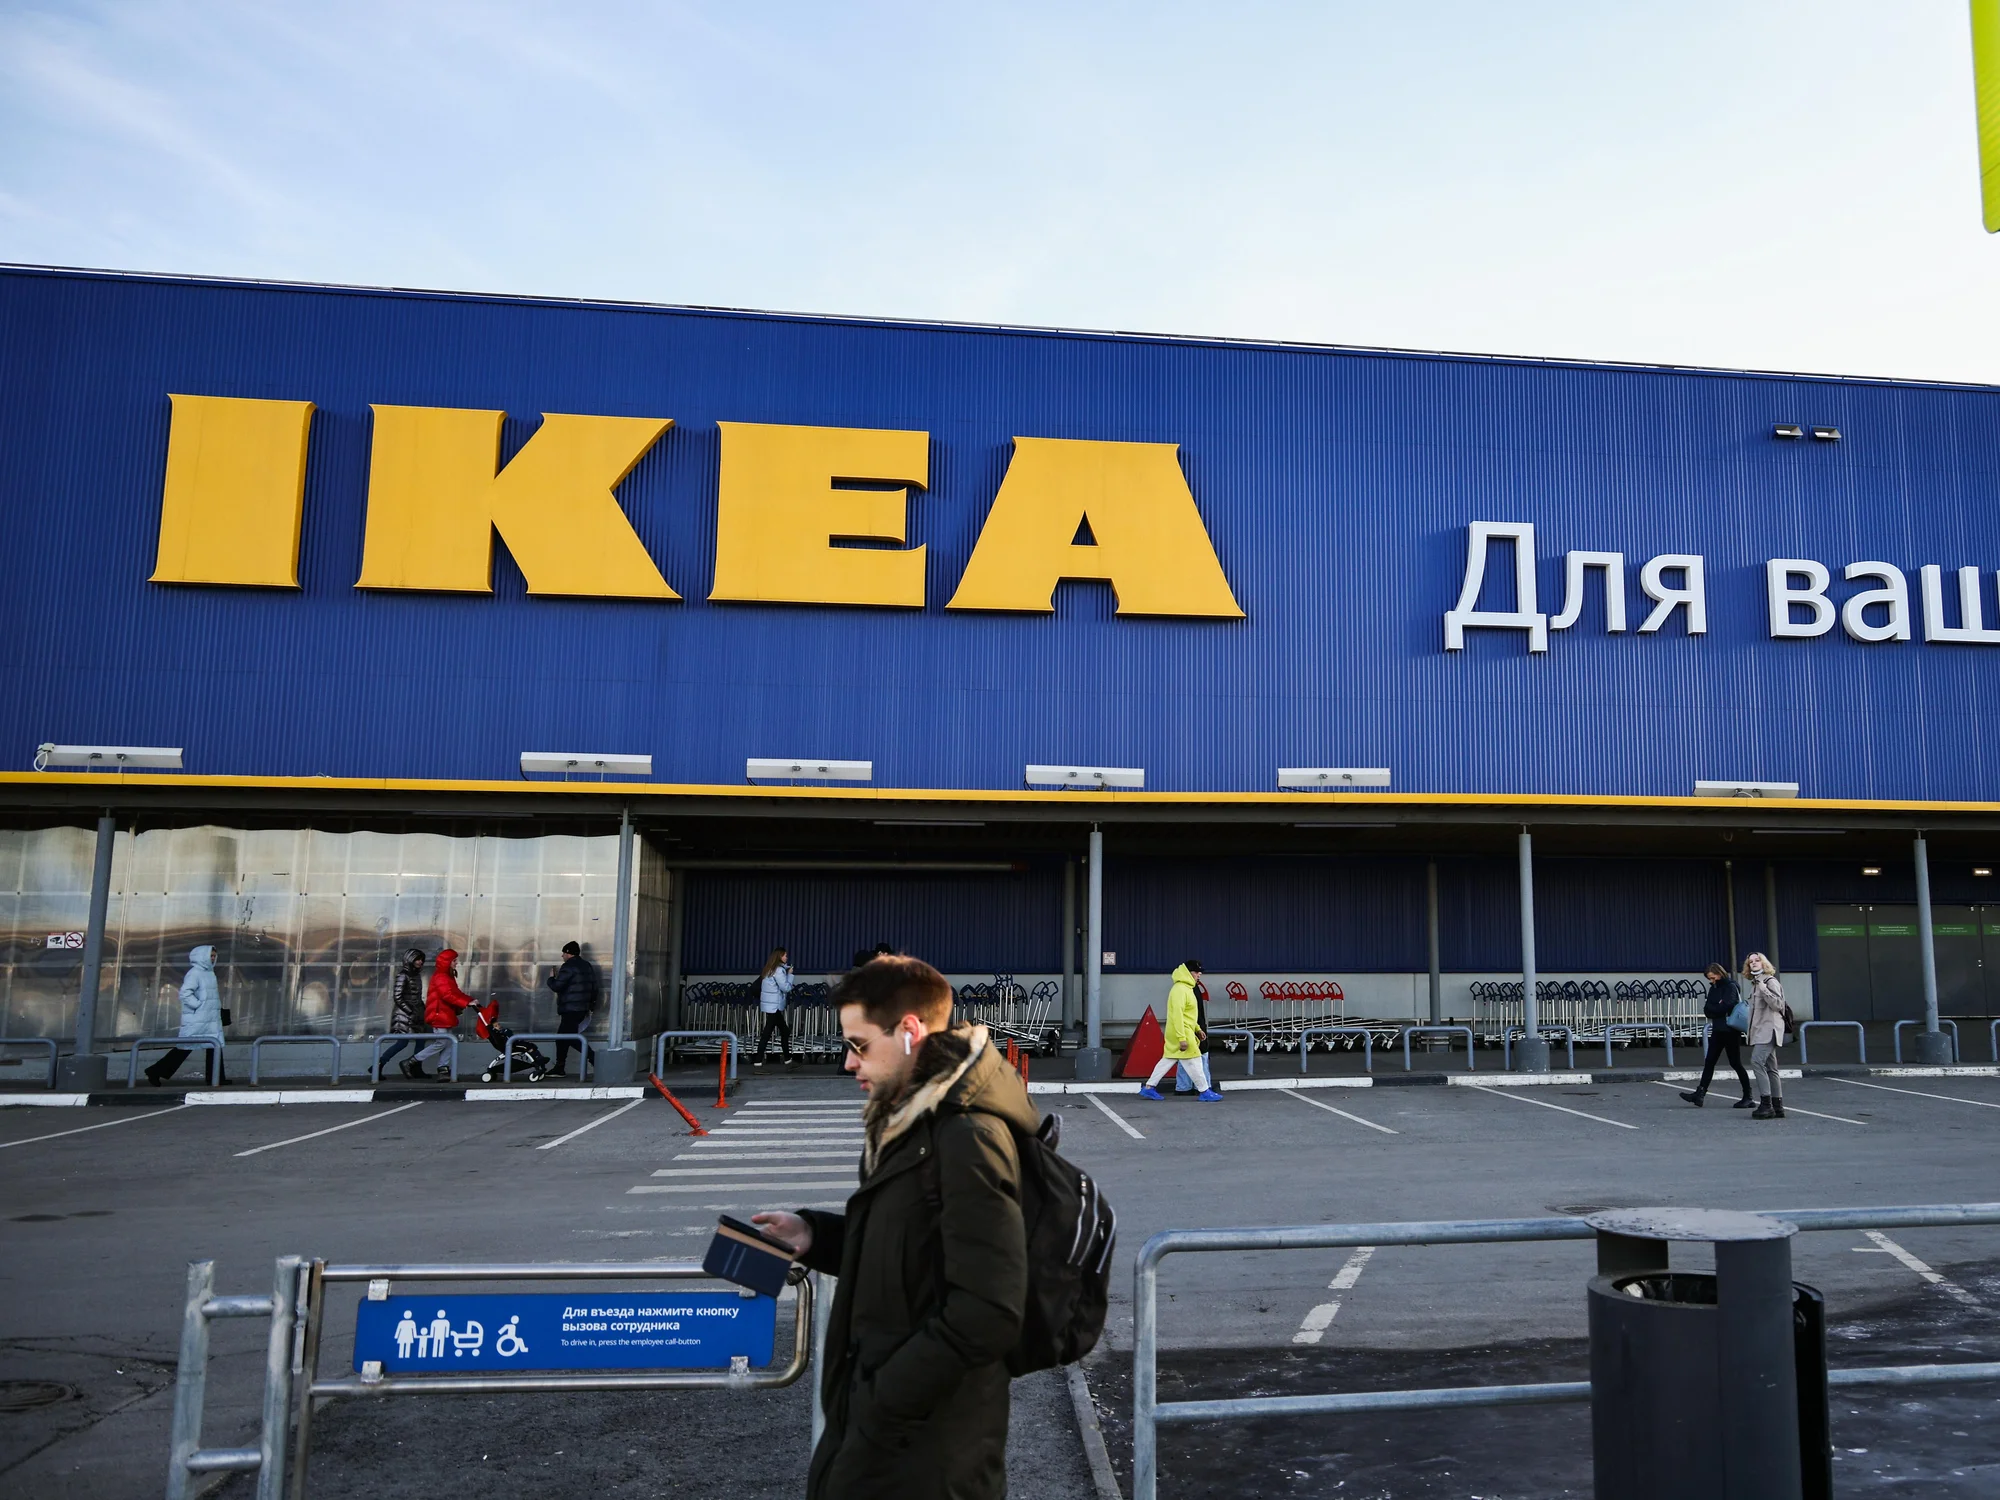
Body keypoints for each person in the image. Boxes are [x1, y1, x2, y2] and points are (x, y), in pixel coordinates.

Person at [751, 955, 1033, 1500]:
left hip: (926, 1451)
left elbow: (990, 1311)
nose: (849, 1062)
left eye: (858, 1045)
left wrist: (882, 1400)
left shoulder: (967, 1136)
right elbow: (912, 1251)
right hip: (886, 1434)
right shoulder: (906, 1122)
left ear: (908, 1032)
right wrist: (815, 1236)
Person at [144, 944, 227, 1085]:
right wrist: (199, 1006)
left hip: (209, 1017)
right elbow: (185, 993)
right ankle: (155, 1071)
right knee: (185, 1047)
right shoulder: (195, 973)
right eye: (210, 956)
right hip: (198, 1018)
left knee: (215, 1046)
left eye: (214, 956)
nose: (212, 958)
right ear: (202, 956)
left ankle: (217, 1078)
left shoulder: (208, 972)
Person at [1139, 961, 1220, 1101]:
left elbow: (1188, 1015)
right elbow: (1177, 1015)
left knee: (1167, 1060)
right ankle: (1205, 1091)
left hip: (1181, 1031)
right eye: (1196, 971)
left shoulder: (1185, 988)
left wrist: (1197, 1029)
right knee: (1195, 1062)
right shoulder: (1181, 990)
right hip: (1182, 1033)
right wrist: (1182, 1037)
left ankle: (1149, 1088)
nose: (1199, 974)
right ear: (1188, 973)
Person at [1679, 961, 1753, 1108]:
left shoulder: (1731, 986)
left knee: (1735, 1063)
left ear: (1720, 974)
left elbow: (1726, 1005)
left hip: (1731, 1030)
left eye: (1713, 977)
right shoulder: (1714, 988)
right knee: (1710, 1061)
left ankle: (1748, 1096)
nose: (1712, 981)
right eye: (1710, 979)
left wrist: (1717, 1007)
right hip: (1718, 1029)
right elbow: (1708, 1008)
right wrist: (1717, 1007)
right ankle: (1700, 1094)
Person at [415, 948, 475, 1076]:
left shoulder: (447, 975)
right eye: (454, 960)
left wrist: (470, 1000)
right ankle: (414, 1060)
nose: (456, 963)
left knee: (448, 1043)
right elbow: (447, 995)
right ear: (447, 962)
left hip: (444, 1013)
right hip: (439, 1014)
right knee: (442, 1042)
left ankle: (443, 1068)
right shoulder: (442, 976)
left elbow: (456, 993)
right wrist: (466, 1002)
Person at [545, 940, 599, 1077]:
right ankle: (560, 1066)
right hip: (582, 1008)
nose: (562, 956)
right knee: (564, 1037)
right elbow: (594, 987)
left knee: (569, 1037)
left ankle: (594, 1059)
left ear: (568, 953)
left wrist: (551, 978)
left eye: (563, 953)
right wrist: (590, 1005)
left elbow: (557, 986)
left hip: (570, 1009)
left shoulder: (568, 967)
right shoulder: (586, 966)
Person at [1743, 952, 1787, 1119]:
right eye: (1750, 962)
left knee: (1756, 1062)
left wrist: (1764, 989)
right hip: (1761, 1031)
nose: (1753, 963)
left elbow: (1778, 1004)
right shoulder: (1755, 983)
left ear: (1764, 963)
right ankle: (1778, 1106)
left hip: (1769, 1031)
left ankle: (1766, 1104)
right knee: (1771, 1068)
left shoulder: (1769, 981)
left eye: (1757, 960)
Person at [379, 947, 427, 1078]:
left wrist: (423, 1010)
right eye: (417, 959)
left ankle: (416, 1068)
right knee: (402, 1043)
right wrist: (410, 1011)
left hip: (416, 1013)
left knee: (421, 1041)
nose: (420, 962)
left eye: (421, 959)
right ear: (409, 959)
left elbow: (417, 996)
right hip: (404, 1015)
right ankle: (378, 1065)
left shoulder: (416, 975)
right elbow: (398, 997)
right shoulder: (402, 975)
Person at [755, 947, 795, 1067]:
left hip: (770, 1005)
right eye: (785, 955)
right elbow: (786, 987)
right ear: (779, 957)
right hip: (774, 1007)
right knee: (774, 1032)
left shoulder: (769, 969)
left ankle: (787, 1059)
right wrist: (790, 975)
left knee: (780, 1031)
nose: (786, 957)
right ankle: (759, 1061)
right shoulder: (778, 970)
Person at [1176, 969, 1213, 1094]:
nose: (1200, 974)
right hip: (1194, 1026)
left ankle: (1183, 1086)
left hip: (1188, 1027)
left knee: (1185, 1057)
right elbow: (1195, 1013)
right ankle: (1203, 1087)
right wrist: (1199, 1028)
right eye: (1197, 971)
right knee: (1201, 1056)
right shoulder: (1191, 989)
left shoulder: (1181, 988)